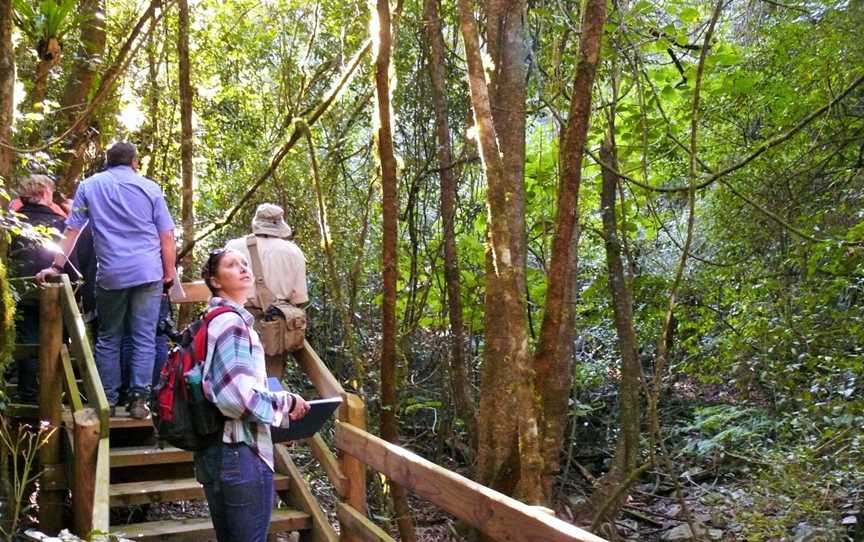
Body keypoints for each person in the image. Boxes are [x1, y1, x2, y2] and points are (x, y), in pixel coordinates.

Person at [36, 142, 176, 419]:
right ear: (135, 161)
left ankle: (107, 400)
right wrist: (169, 270)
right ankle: (138, 401)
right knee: (144, 337)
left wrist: (56, 265)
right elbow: (167, 235)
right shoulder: (150, 188)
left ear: (107, 161)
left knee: (109, 336)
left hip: (112, 272)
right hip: (148, 272)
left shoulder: (90, 186)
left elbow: (73, 229)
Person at [195, 248, 309, 542]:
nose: (244, 268)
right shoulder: (232, 324)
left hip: (214, 450)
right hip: (239, 451)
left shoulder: (211, 319)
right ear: (215, 280)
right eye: (232, 265)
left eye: (244, 263)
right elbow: (236, 399)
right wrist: (286, 403)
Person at [225, 203, 308, 378]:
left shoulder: (233, 247)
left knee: (236, 376)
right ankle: (271, 403)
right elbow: (299, 298)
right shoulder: (293, 252)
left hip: (236, 320)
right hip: (275, 327)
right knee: (270, 379)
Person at [8, 175, 70, 402]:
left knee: (27, 340)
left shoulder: (12, 222)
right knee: (56, 342)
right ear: (45, 193)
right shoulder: (61, 223)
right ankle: (54, 396)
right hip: (55, 291)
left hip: (21, 290)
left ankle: (29, 394)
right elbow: (71, 257)